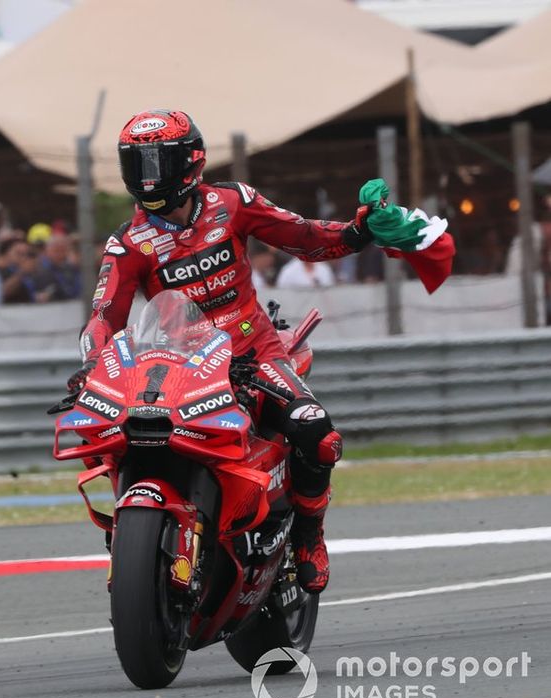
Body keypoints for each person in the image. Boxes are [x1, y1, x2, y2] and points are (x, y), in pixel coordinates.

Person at [69, 109, 455, 595]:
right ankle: (134, 536)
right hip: (180, 368)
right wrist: (92, 365)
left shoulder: (234, 202)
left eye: (156, 162)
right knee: (117, 436)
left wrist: (358, 232)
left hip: (256, 354)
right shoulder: (127, 245)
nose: (147, 177)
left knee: (317, 432)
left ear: (190, 161)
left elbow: (305, 237)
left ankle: (309, 537)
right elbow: (104, 316)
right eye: (136, 163)